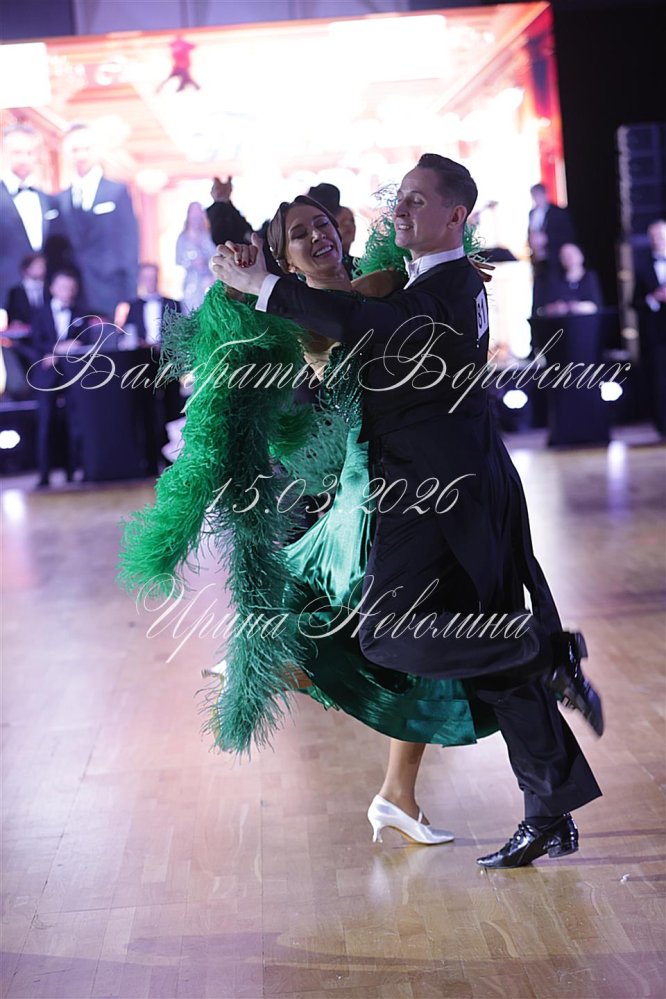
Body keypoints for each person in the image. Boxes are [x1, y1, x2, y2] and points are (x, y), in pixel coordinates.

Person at [212, 153, 604, 868]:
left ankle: (541, 652)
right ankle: (548, 804)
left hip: (434, 494)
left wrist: (264, 285)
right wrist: (249, 275)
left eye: (418, 201)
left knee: (394, 638)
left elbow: (362, 319)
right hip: (421, 488)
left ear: (456, 216)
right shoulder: (416, 283)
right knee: (479, 650)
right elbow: (331, 335)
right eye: (401, 199)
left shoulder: (432, 288)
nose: (401, 209)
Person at [57, 124, 139, 323]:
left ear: (97, 151)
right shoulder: (61, 199)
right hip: (71, 297)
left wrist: (128, 297)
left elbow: (129, 246)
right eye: (75, 150)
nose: (81, 155)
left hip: (110, 293)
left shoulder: (117, 192)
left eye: (86, 148)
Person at [28, 269, 89, 487]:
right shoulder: (40, 313)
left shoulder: (81, 313)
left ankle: (73, 471)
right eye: (64, 287)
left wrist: (60, 351)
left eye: (72, 288)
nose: (68, 292)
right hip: (46, 376)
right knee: (45, 424)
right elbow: (35, 343)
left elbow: (84, 342)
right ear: (53, 289)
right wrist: (57, 349)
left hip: (73, 375)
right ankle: (44, 474)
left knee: (75, 423)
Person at [0, 125, 64, 309]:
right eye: (17, 152)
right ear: (4, 153)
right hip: (6, 296)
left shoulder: (48, 199)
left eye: (30, 153)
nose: (24, 159)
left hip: (46, 299)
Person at [632, 219, 666, 437]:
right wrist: (653, 298)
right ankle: (663, 425)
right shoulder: (643, 265)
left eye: (661, 236)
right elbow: (634, 302)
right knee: (660, 380)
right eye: (653, 237)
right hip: (657, 335)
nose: (657, 240)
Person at [528, 182, 576, 314]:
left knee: (553, 288)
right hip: (539, 260)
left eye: (538, 195)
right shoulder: (532, 213)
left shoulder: (558, 212)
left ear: (545, 195)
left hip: (554, 259)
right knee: (539, 290)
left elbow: (567, 234)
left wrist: (547, 239)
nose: (536, 199)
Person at [538, 242, 603, 317]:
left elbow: (596, 306)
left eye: (572, 254)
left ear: (581, 256)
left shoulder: (590, 278)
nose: (569, 258)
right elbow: (544, 309)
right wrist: (557, 308)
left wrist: (576, 307)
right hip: (562, 322)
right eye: (564, 256)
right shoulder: (554, 281)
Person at [175, 203, 217, 313]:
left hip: (207, 282)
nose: (196, 217)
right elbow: (179, 261)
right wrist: (192, 263)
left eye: (198, 213)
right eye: (194, 213)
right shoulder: (183, 238)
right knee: (191, 311)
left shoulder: (207, 236)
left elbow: (214, 256)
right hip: (191, 285)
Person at [5, 253, 47, 327]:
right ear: (27, 269)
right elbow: (12, 314)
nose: (43, 269)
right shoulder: (16, 292)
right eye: (39, 266)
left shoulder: (49, 290)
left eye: (43, 266)